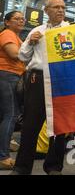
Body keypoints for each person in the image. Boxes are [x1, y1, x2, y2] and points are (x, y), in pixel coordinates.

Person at [11, 0, 68, 175]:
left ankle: (53, 167)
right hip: (37, 80)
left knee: (59, 127)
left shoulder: (71, 30)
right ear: (46, 11)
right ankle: (21, 168)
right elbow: (22, 57)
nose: (60, 10)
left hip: (61, 80)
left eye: (63, 7)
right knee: (30, 125)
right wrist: (30, 42)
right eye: (56, 7)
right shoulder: (37, 30)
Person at [0, 11, 26, 170]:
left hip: (7, 75)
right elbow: (14, 54)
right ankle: (3, 157)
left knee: (5, 115)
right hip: (8, 75)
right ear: (7, 22)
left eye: (22, 18)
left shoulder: (15, 36)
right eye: (17, 18)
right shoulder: (8, 33)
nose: (21, 20)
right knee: (11, 115)